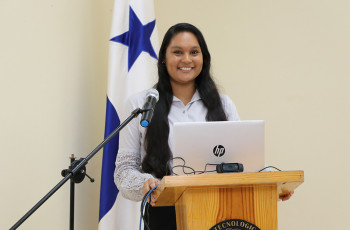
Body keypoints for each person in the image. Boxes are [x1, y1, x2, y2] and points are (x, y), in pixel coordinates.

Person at [114, 23, 291, 230]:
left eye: (194, 52)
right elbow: (124, 170)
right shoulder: (140, 104)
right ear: (164, 58)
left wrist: (272, 178)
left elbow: (243, 162)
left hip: (221, 212)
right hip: (164, 214)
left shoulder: (224, 104)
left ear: (203, 58)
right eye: (178, 52)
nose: (187, 59)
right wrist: (146, 184)